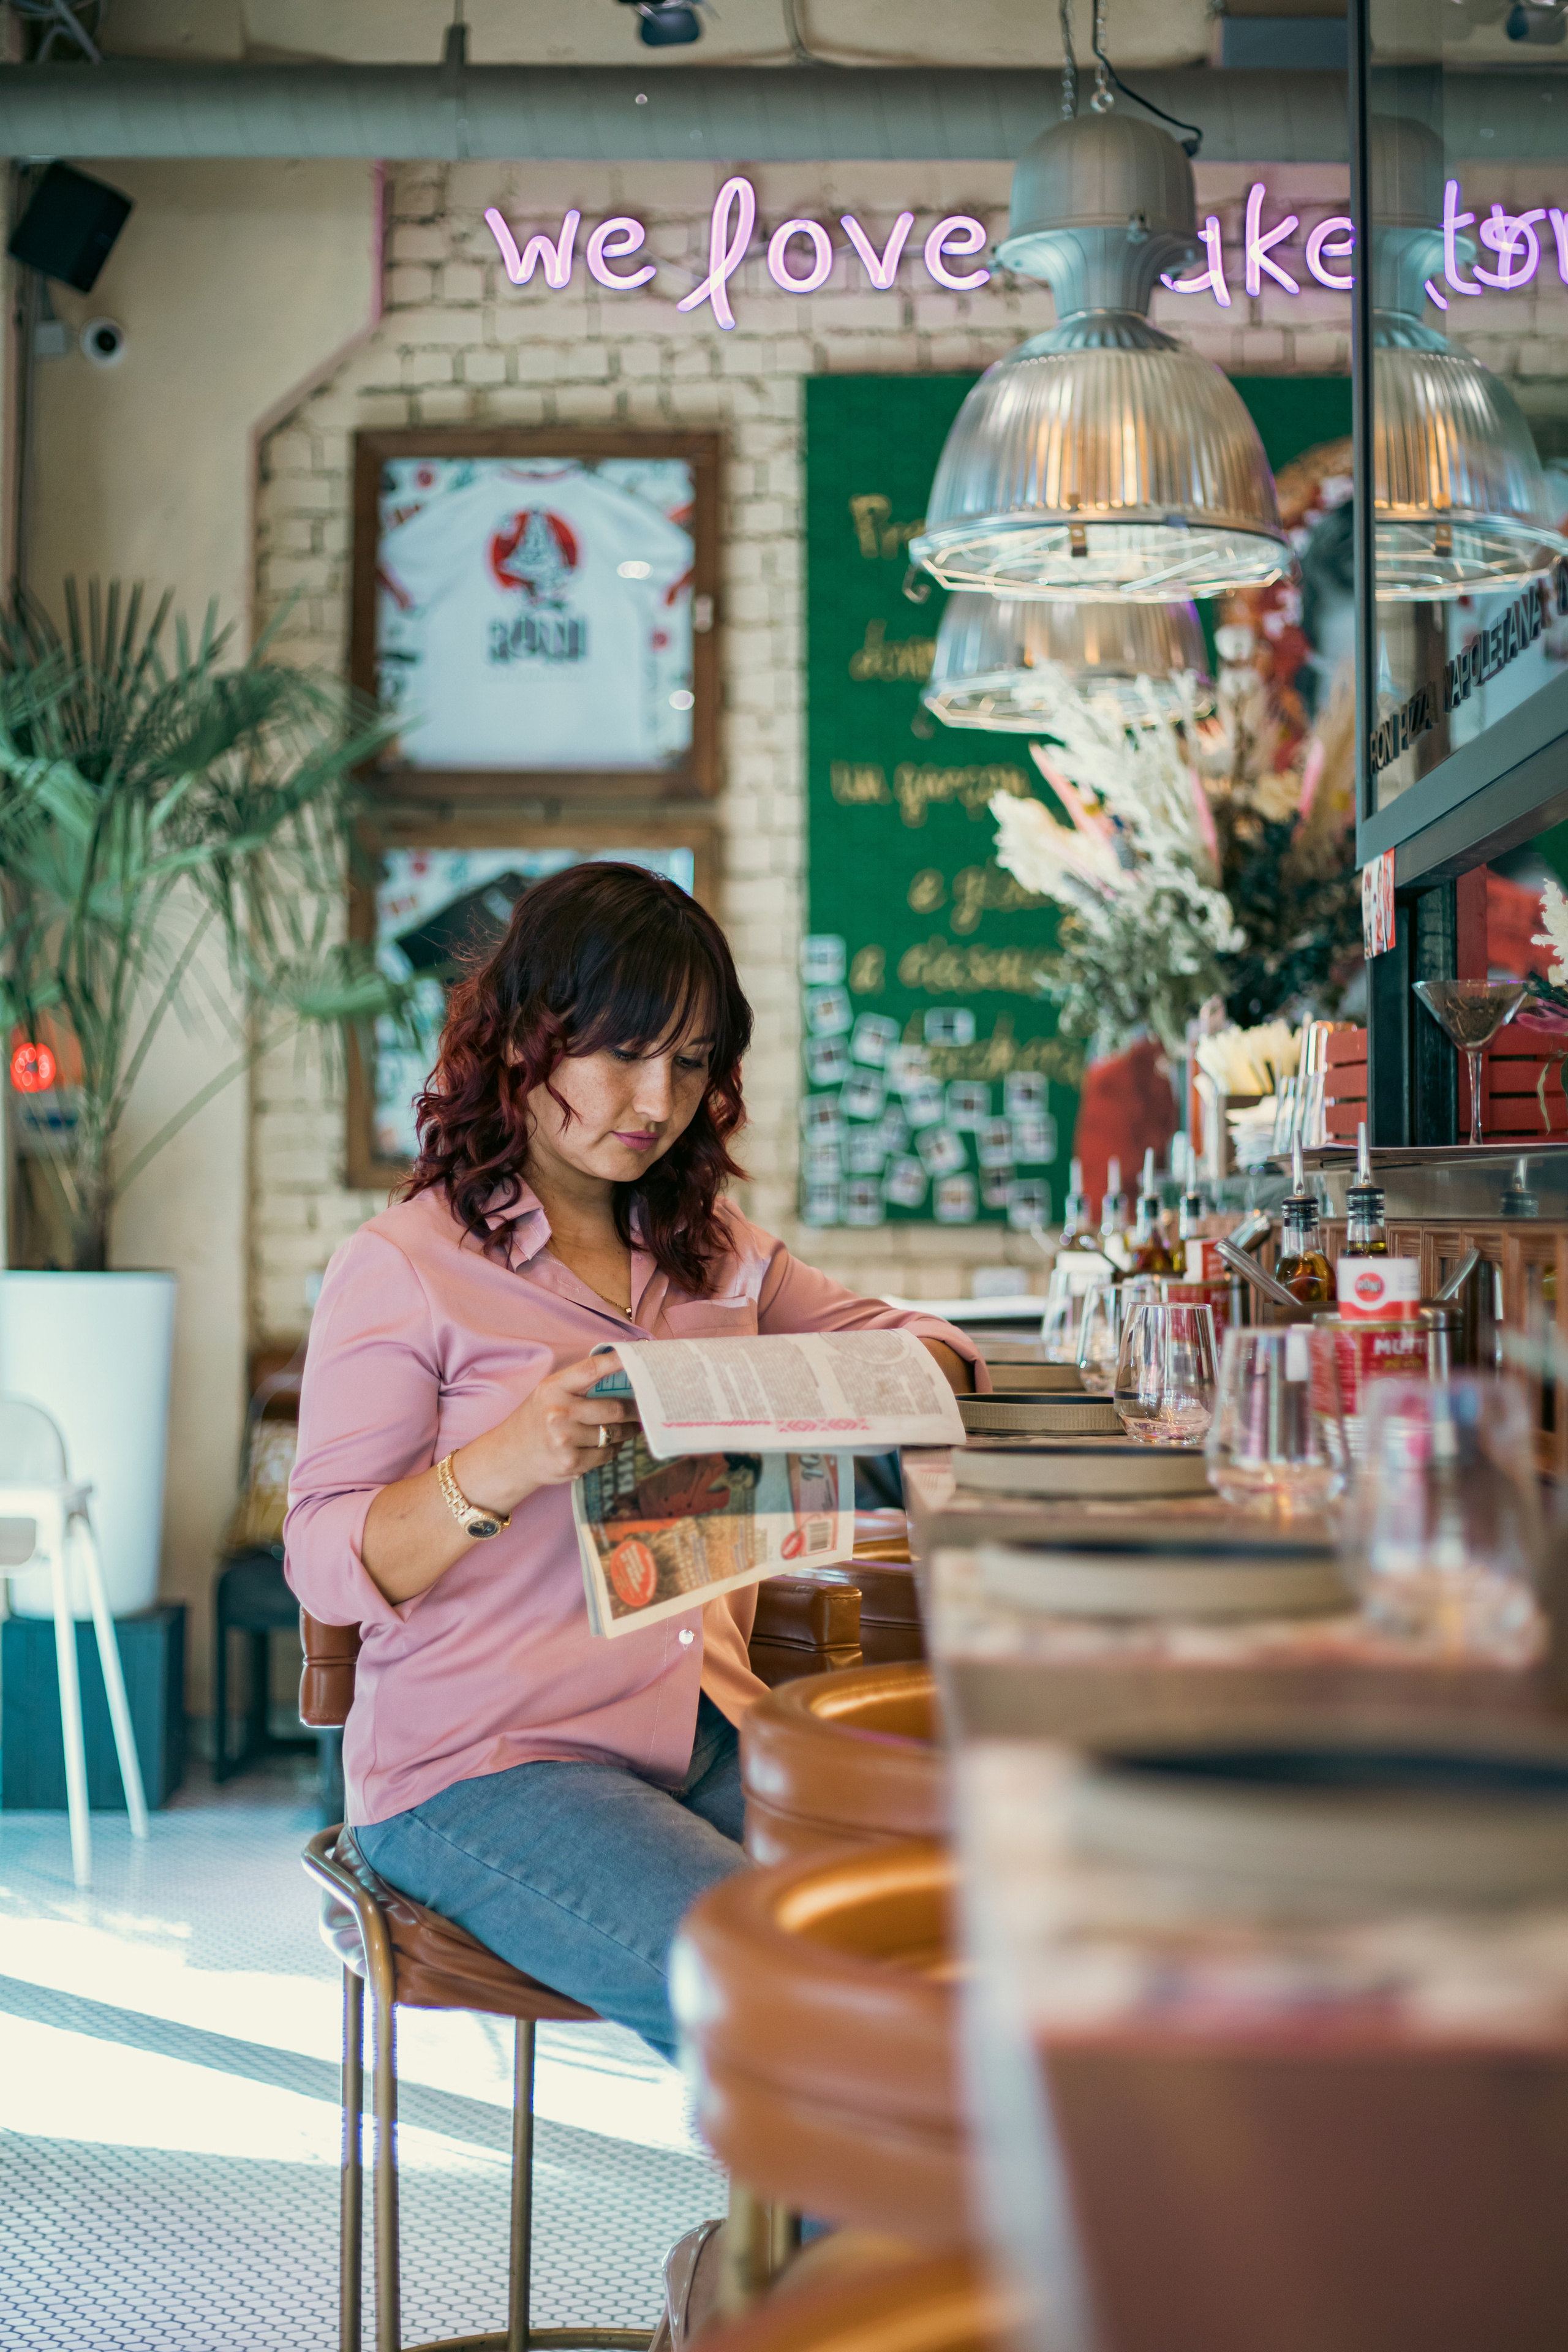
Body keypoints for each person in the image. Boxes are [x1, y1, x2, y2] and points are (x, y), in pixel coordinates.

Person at [285, 862, 984, 2059]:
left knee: (943, 1942)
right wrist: (503, 1464)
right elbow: (320, 1560)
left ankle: (845, 2234)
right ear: (522, 1043)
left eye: (693, 1060)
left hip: (701, 1729)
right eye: (619, 1051)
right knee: (782, 2000)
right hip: (483, 1768)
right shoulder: (405, 1265)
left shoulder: (719, 1258)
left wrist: (778, 1386)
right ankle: (821, 2248)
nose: (654, 1098)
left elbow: (939, 1358)